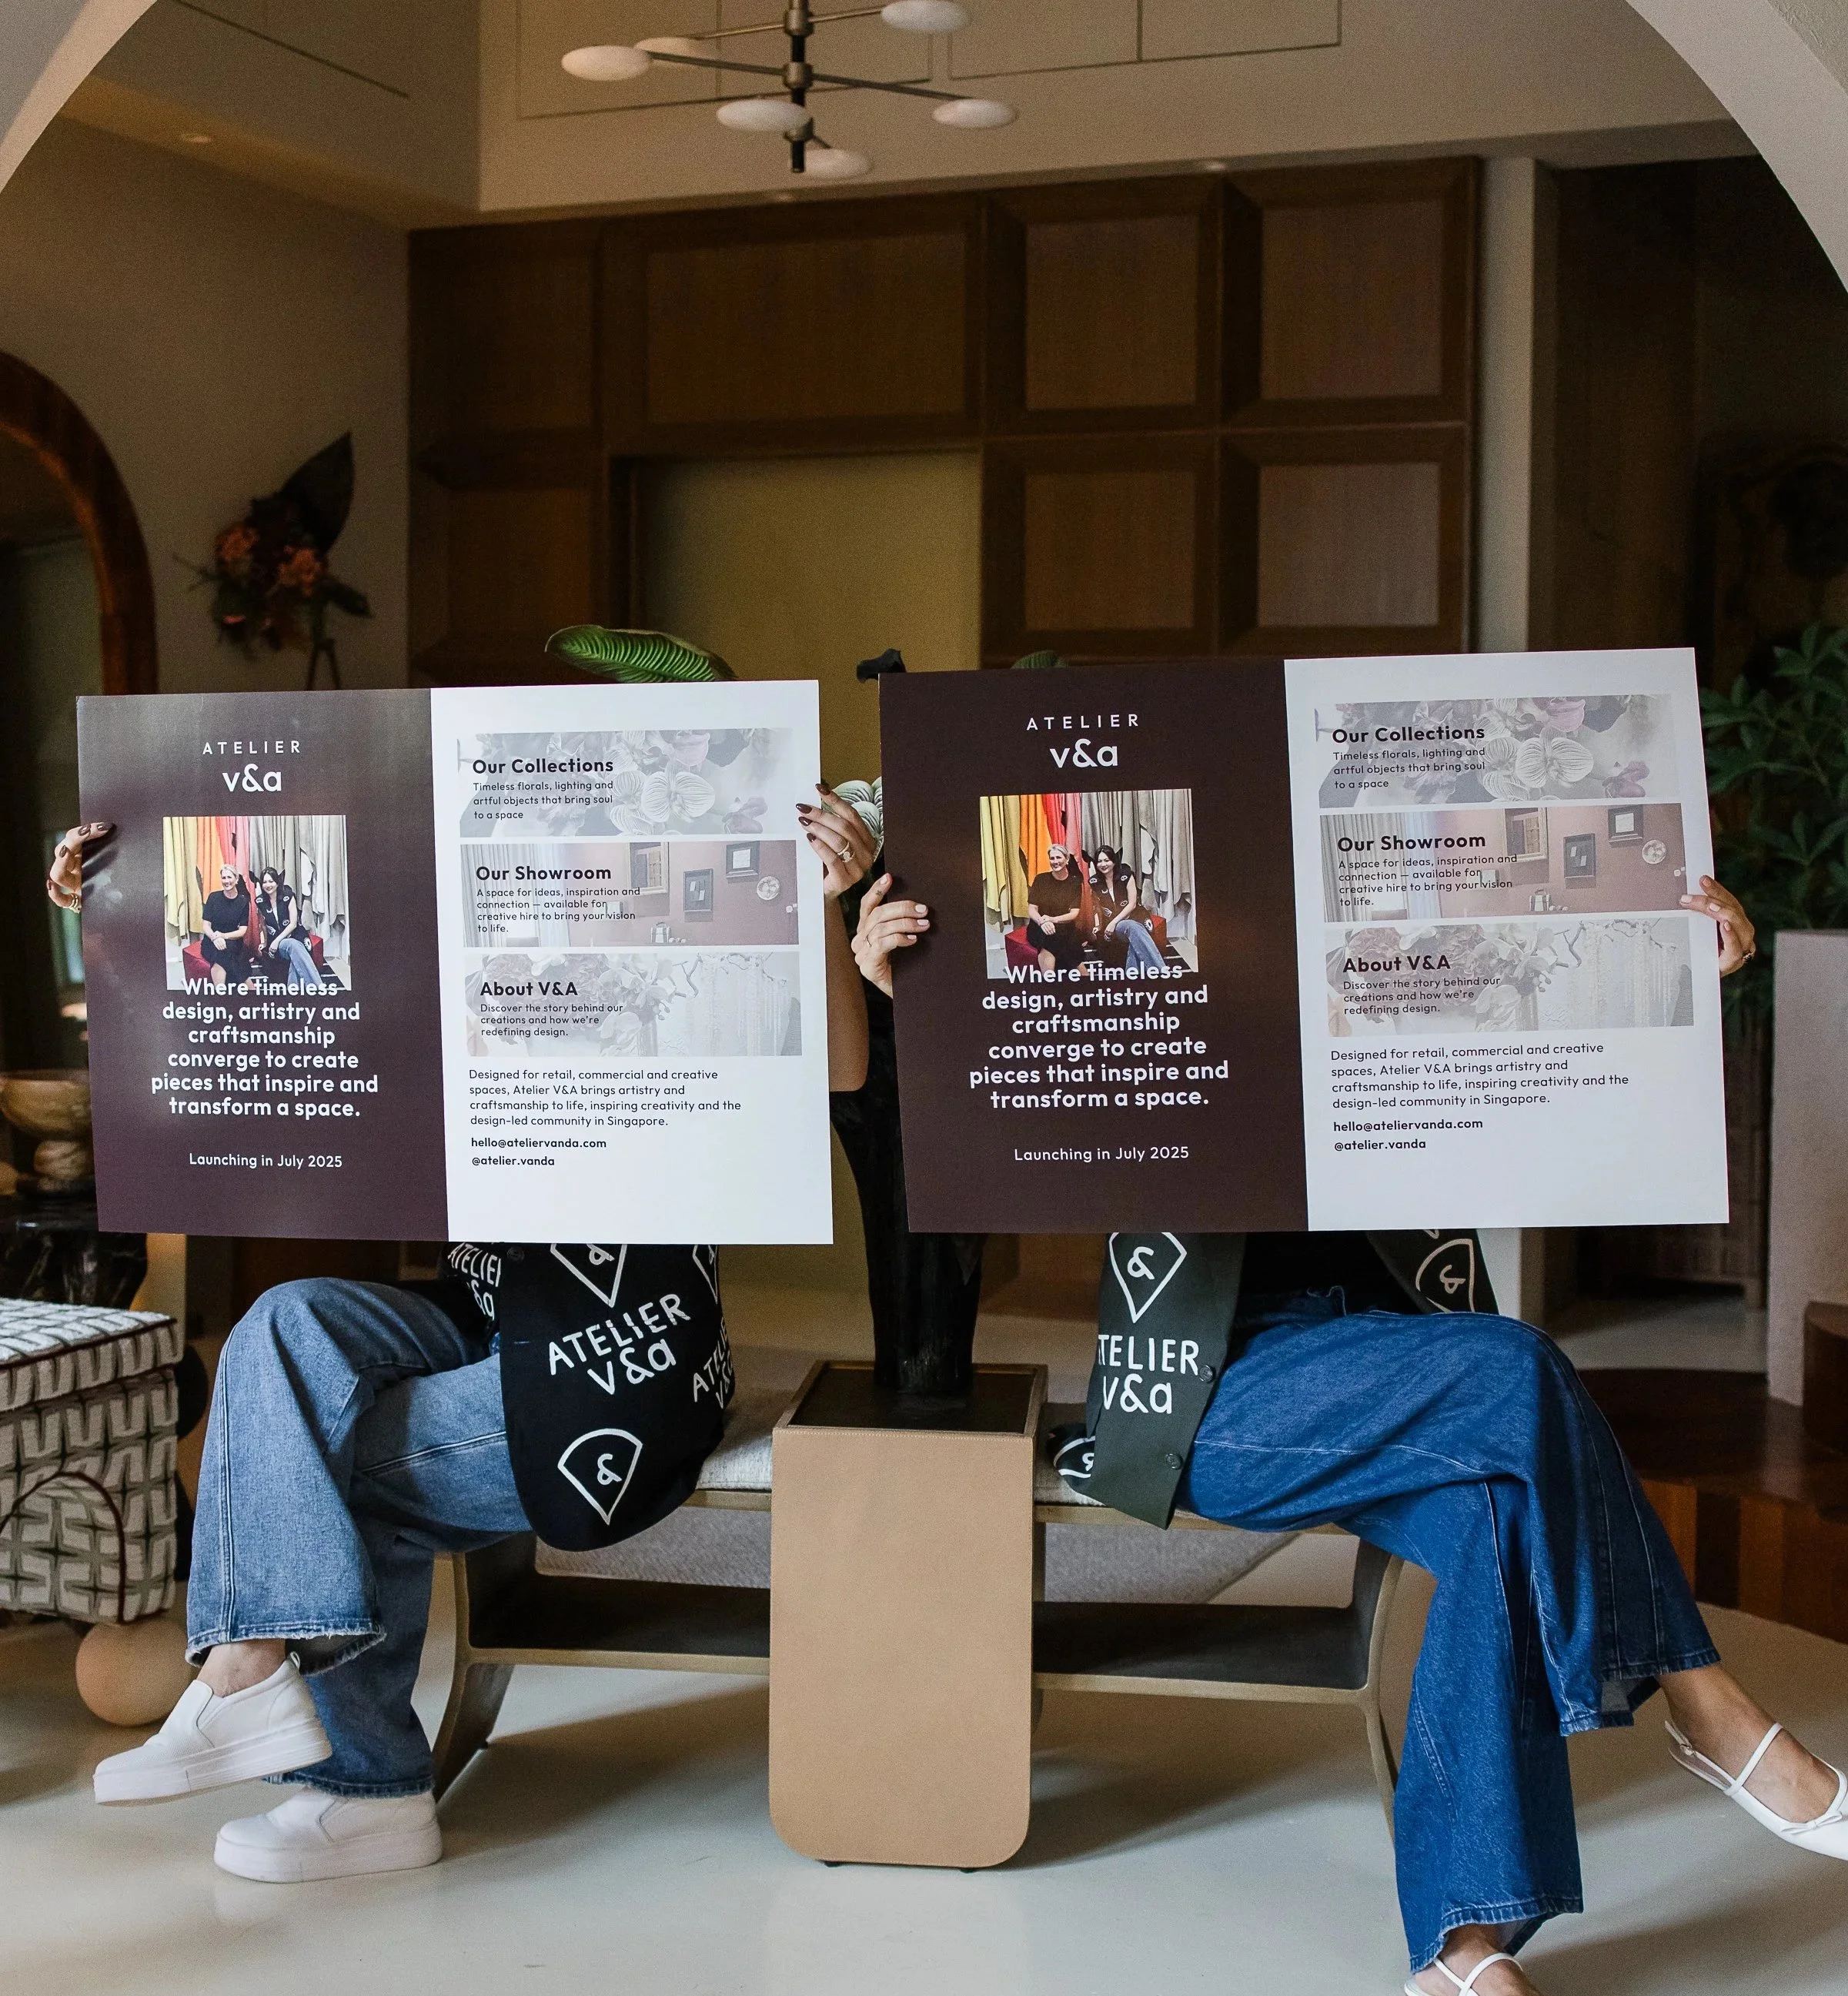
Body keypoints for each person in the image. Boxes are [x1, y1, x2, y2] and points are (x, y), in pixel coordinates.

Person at [854, 871, 1846, 1996]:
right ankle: (1707, 1704)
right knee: (1516, 1363)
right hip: (1220, 1393)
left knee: (1490, 1510)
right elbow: (998, 1132)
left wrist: (1682, 987)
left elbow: (1576, 1108)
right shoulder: (1144, 999)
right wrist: (909, 1010)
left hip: (1395, 1366)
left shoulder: (1403, 1000)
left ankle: (1460, 1955)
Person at [58, 786, 879, 1881]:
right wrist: (109, 914)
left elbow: (837, 1070)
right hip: (484, 1313)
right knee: (282, 1330)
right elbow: (221, 1039)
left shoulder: (667, 972)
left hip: (615, 1357)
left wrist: (821, 901)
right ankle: (253, 1679)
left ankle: (362, 1781)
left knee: (322, 1450)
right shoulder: (450, 964)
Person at [1089, 842, 1166, 973]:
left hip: (1135, 916)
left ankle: (1135, 975)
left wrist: (1113, 923)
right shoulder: (1094, 881)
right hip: (1116, 924)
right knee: (1131, 927)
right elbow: (1096, 906)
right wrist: (1097, 925)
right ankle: (1161, 972)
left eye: (1107, 860)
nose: (1103, 864)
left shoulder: (1126, 874)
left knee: (1133, 929)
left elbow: (1132, 904)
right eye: (1099, 861)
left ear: (1113, 861)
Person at [255, 866, 326, 988]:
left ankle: (293, 990)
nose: (268, 885)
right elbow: (263, 926)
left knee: (294, 948)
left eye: (271, 881)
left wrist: (277, 941)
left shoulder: (288, 896)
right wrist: (264, 942)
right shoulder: (260, 901)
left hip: (297, 936)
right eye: (265, 882)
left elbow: (293, 924)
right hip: (279, 944)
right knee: (292, 945)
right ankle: (317, 988)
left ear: (277, 882)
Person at [1025, 841, 1086, 972]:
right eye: (1052, 858)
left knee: (1062, 936)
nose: (1055, 861)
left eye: (1058, 857)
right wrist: (1043, 922)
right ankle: (1050, 981)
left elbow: (1074, 913)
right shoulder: (1041, 879)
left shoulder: (1074, 882)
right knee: (1050, 936)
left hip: (1063, 925)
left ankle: (1086, 987)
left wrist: (1052, 920)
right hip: (1039, 926)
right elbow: (1032, 909)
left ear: (1067, 860)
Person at [199, 861, 254, 988]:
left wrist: (223, 936)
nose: (226, 881)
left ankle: (221, 994)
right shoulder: (213, 898)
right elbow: (206, 925)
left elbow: (242, 931)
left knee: (228, 949)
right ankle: (250, 990)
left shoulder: (243, 901)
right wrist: (215, 938)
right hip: (211, 941)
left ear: (236, 879)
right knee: (224, 952)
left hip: (233, 941)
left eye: (229, 877)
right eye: (224, 878)